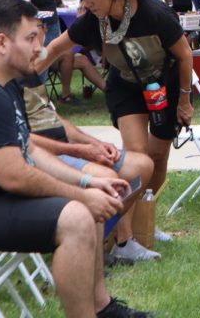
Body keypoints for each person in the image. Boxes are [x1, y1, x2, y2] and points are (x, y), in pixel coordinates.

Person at [0, 0, 152, 317]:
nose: (41, 46)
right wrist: (81, 195)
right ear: (1, 43)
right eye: (31, 38)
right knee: (78, 216)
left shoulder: (1, 83)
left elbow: (30, 149)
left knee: (89, 200)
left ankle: (101, 308)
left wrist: (87, 181)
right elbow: (15, 176)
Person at [36, 0, 195, 247]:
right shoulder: (92, 23)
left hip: (164, 86)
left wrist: (184, 100)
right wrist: (21, 72)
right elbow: (56, 48)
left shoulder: (155, 14)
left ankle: (145, 219)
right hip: (126, 87)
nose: (86, 2)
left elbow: (185, 55)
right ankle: (126, 236)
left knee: (158, 159)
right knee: (137, 158)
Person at [16, 76, 157, 264]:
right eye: (31, 43)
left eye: (37, 43)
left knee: (141, 166)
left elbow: (52, 117)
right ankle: (87, 248)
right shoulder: (1, 83)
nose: (37, 47)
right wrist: (80, 150)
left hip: (67, 149)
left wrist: (95, 144)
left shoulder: (29, 73)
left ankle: (111, 241)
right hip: (41, 158)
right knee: (107, 179)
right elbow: (23, 141)